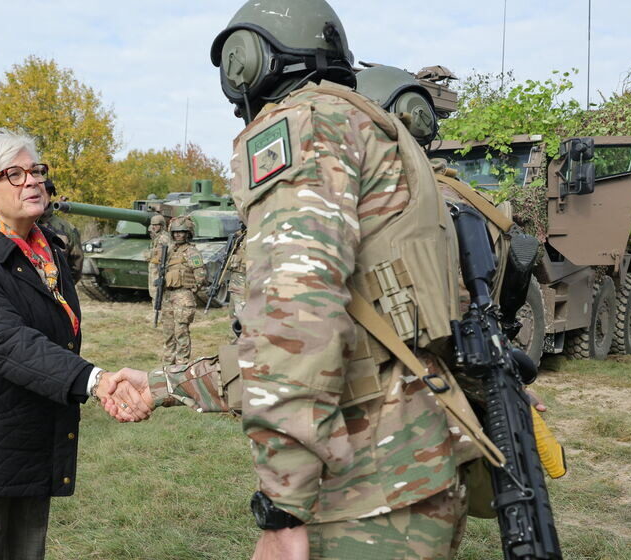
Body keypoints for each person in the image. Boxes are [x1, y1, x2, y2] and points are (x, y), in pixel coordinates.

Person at [108, 3, 496, 558]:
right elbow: (364, 329)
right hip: (419, 464)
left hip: (362, 487)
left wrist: (283, 504)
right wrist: (163, 385)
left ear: (246, 63)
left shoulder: (304, 125)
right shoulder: (389, 144)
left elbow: (295, 319)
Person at [0, 128, 148, 560]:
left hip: (31, 433)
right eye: (14, 174)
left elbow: (56, 338)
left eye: (36, 171)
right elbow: (8, 341)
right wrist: (97, 381)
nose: (32, 181)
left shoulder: (48, 253)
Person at [156, 216, 208, 365]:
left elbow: (201, 274)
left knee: (181, 332)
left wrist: (193, 288)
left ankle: (181, 365)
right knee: (168, 333)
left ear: (188, 233)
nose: (178, 235)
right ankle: (167, 365)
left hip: (183, 295)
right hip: (168, 295)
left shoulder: (191, 252)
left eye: (182, 232)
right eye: (175, 232)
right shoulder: (170, 251)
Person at [36, 179, 83, 282]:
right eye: (39, 192)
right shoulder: (17, 223)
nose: (42, 196)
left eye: (47, 193)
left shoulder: (67, 229)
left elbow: (76, 266)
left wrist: (64, 288)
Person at [145, 213, 170, 297]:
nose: (154, 227)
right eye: (152, 225)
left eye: (156, 225)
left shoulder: (164, 238)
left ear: (162, 225)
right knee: (154, 294)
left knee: (159, 295)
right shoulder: (156, 238)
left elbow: (164, 255)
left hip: (159, 270)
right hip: (154, 269)